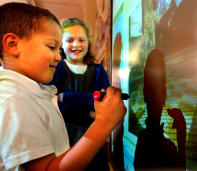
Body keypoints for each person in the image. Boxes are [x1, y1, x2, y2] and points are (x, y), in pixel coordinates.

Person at [0, 2, 127, 171]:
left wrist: (67, 98)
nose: (58, 57)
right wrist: (104, 123)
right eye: (52, 47)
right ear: (13, 44)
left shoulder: (31, 93)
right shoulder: (15, 101)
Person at [44, 17, 111, 171]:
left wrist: (65, 97)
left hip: (93, 140)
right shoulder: (56, 67)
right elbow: (49, 104)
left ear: (88, 42)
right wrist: (90, 110)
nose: (76, 44)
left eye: (81, 39)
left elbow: (105, 104)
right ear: (61, 43)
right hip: (61, 141)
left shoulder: (99, 71)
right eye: (69, 40)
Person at [133, 49, 186, 171]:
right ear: (165, 94)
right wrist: (181, 142)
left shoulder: (141, 140)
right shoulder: (169, 148)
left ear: (144, 93)